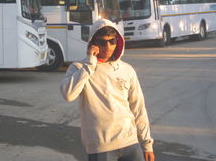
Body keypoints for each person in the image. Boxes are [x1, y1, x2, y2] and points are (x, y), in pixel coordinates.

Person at [60, 18, 155, 161]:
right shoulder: (80, 68)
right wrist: (90, 64)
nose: (108, 46)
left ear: (118, 42)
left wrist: (147, 144)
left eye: (112, 41)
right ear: (93, 43)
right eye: (102, 42)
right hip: (101, 147)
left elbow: (138, 108)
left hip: (130, 143)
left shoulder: (126, 70)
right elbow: (68, 94)